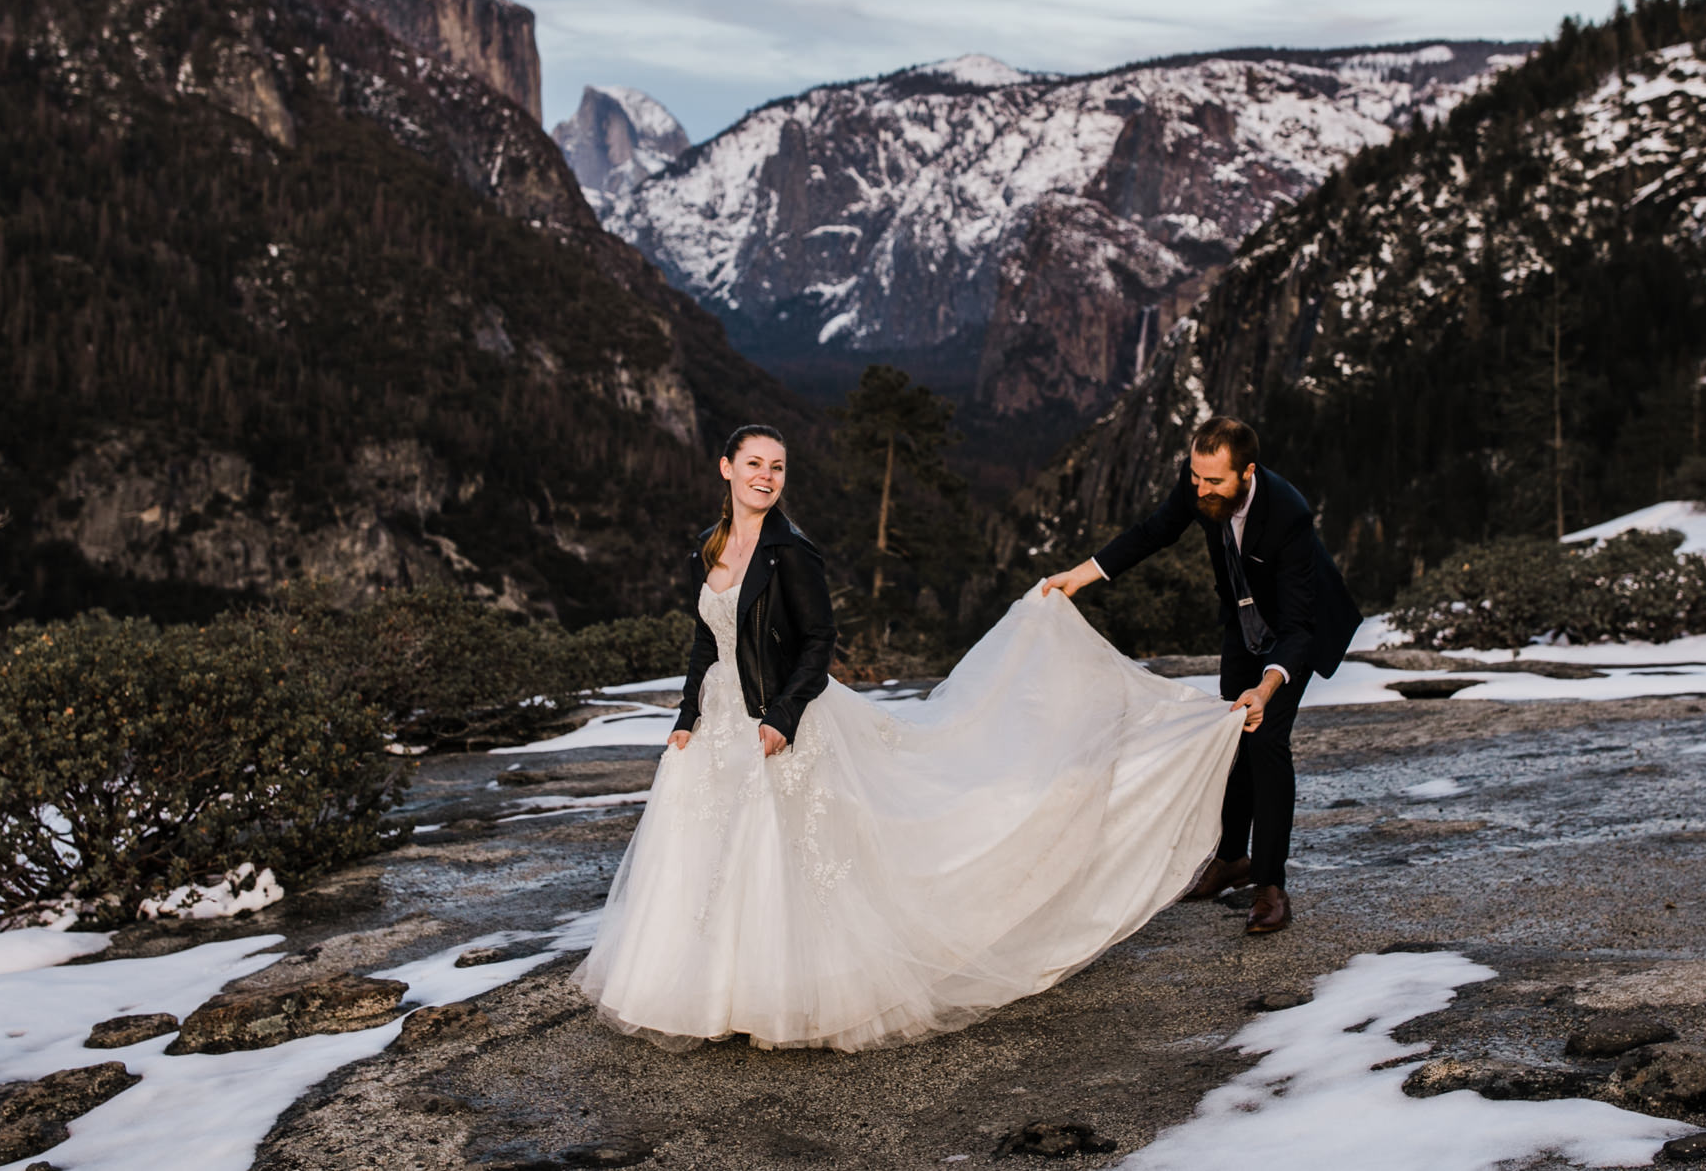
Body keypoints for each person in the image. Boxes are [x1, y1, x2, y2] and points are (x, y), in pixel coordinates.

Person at [570, 424, 1248, 1052]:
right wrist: (686, 715)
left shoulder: (791, 553)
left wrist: (780, 717)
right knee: (710, 850)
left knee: (784, 853)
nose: (766, 476)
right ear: (726, 468)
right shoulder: (708, 548)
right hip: (718, 720)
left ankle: (783, 993)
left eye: (777, 467)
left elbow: (817, 643)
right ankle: (709, 990)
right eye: (754, 464)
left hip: (783, 717)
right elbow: (706, 639)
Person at [1043, 417, 1362, 935]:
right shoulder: (1200, 481)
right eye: (1195, 478)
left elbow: (1299, 625)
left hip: (1295, 629)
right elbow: (1153, 532)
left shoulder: (1289, 514)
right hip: (1242, 620)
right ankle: (1231, 858)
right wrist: (1080, 575)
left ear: (1247, 473)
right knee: (1231, 735)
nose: (1200, 489)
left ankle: (1271, 886)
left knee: (1267, 740)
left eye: (1213, 482)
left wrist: (1265, 685)